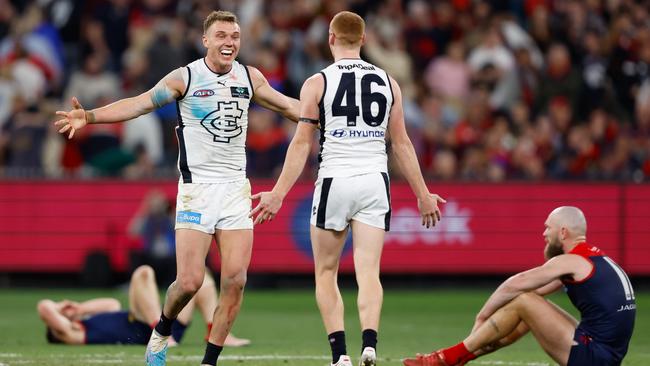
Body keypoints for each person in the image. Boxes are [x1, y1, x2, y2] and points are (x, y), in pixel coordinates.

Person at [54, 10, 299, 366]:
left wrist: (328, 115)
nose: (229, 42)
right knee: (189, 282)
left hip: (235, 190)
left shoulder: (250, 77)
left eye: (234, 36)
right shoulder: (185, 78)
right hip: (197, 189)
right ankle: (162, 330)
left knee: (235, 279)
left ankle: (209, 360)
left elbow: (290, 107)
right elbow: (138, 104)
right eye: (221, 36)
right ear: (205, 40)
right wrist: (89, 116)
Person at [250, 11, 445, 366]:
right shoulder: (388, 81)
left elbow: (301, 143)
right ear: (364, 40)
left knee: (326, 272)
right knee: (369, 272)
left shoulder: (317, 82)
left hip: (335, 180)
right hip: (374, 182)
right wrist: (423, 194)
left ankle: (340, 355)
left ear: (330, 38)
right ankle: (369, 343)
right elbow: (401, 144)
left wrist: (278, 192)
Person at [403, 206, 636, 366]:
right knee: (528, 309)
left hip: (594, 356)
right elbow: (532, 294)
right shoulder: (595, 259)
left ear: (563, 232)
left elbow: (518, 284)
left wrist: (482, 316)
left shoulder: (571, 261)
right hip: (604, 353)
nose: (544, 233)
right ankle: (461, 355)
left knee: (525, 302)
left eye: (548, 228)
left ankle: (447, 358)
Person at [37, 265, 250, 347]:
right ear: (57, 328)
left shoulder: (87, 322)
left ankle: (218, 333)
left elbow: (111, 303)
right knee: (143, 273)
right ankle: (161, 334)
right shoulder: (71, 334)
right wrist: (58, 307)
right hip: (144, 327)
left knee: (201, 280)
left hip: (161, 328)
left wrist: (80, 309)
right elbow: (43, 307)